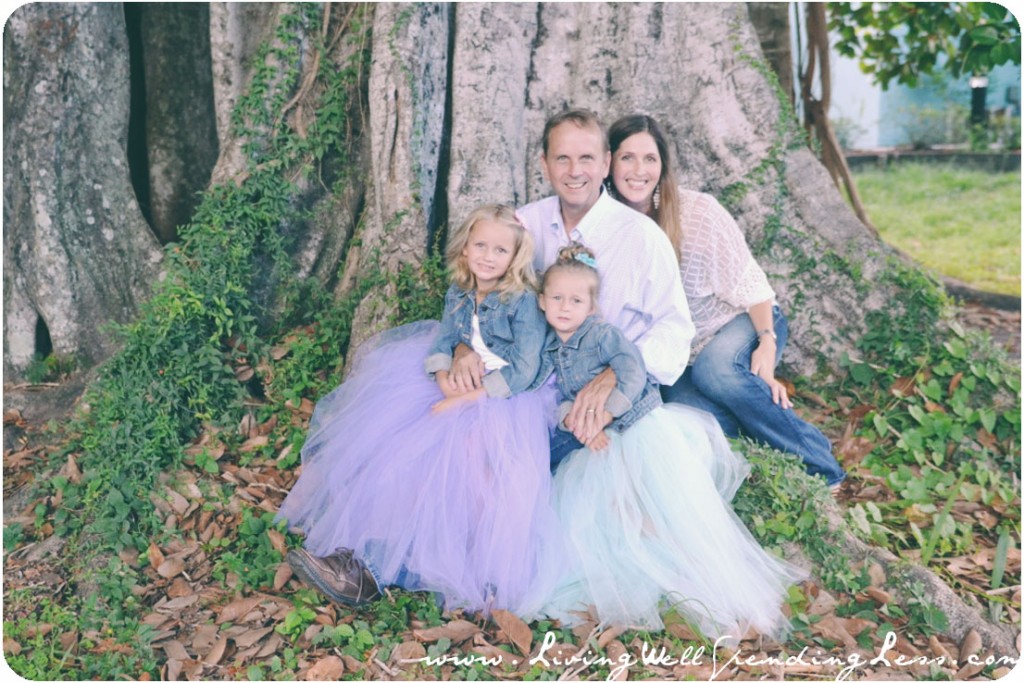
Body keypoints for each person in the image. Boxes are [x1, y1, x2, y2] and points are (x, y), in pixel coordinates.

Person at [276, 204, 562, 616]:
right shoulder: (459, 293)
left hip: (506, 401)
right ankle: (362, 560)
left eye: (500, 250)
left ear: (515, 258)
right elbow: (443, 340)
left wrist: (460, 400)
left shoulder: (522, 303)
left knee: (467, 462)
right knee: (400, 449)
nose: (487, 256)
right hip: (458, 391)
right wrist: (444, 379)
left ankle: (477, 575)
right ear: (464, 249)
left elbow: (525, 371)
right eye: (479, 245)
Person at [533, 245, 804, 637]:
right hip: (600, 440)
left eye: (575, 300)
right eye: (556, 298)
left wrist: (606, 415)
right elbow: (562, 400)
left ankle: (694, 577)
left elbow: (633, 373)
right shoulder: (552, 348)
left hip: (640, 427)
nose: (564, 307)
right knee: (601, 515)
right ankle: (631, 578)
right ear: (542, 302)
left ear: (592, 307)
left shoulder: (604, 335)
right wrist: (577, 423)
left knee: (661, 510)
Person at [606, 113, 847, 489]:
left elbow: (753, 287)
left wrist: (766, 344)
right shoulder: (607, 226)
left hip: (740, 322)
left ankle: (821, 465)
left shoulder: (697, 213)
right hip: (678, 352)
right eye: (627, 157)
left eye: (650, 159)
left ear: (663, 167)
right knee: (691, 417)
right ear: (609, 162)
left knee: (715, 372)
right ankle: (768, 439)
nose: (639, 170)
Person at [447, 109, 694, 467]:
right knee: (459, 446)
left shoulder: (641, 237)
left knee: (531, 469)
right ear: (544, 165)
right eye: (562, 158)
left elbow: (675, 329)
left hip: (606, 386)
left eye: (586, 159)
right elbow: (478, 290)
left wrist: (613, 373)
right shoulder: (524, 224)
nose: (574, 171)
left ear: (607, 163)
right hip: (530, 382)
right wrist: (461, 346)